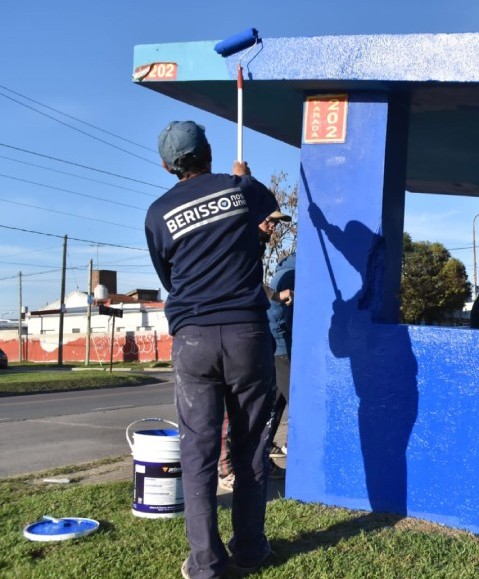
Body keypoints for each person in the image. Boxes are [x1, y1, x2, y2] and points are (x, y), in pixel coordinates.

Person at [144, 120, 278, 579]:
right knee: (251, 445)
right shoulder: (238, 189)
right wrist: (243, 177)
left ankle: (205, 563)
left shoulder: (157, 213)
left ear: (166, 165)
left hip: (193, 337)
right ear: (208, 152)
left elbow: (169, 277)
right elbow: (269, 203)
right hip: (246, 333)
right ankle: (251, 549)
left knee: (198, 451)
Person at [218, 211, 292, 489]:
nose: (272, 226)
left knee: (257, 407)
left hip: (252, 335)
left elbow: (251, 283)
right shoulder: (239, 241)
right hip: (231, 331)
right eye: (268, 220)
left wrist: (274, 295)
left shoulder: (256, 247)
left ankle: (257, 460)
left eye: (276, 223)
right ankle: (227, 470)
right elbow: (236, 282)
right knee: (233, 405)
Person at [265, 251, 296, 459]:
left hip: (275, 343)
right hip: (280, 345)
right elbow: (280, 314)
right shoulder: (292, 275)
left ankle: (264, 450)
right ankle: (292, 446)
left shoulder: (284, 271)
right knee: (297, 398)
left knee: (276, 403)